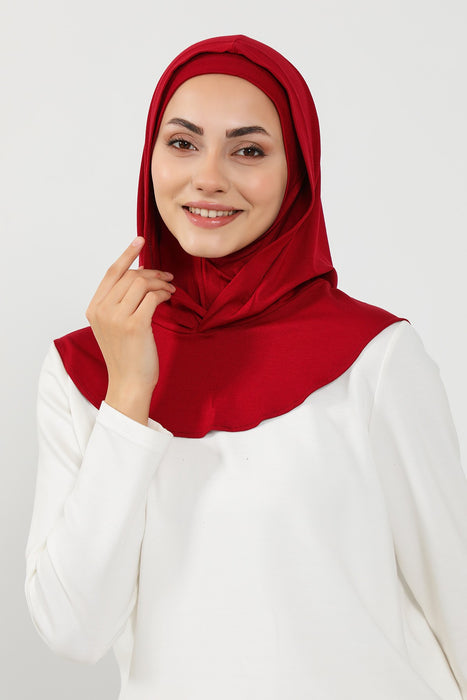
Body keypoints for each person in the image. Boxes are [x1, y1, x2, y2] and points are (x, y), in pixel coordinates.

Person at [25, 34, 467, 700]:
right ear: (150, 157)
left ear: (298, 173)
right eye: (182, 143)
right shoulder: (81, 371)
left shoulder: (373, 357)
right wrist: (129, 393)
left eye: (248, 150)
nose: (208, 177)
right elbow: (73, 630)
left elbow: (454, 589)